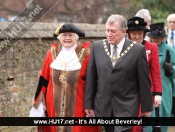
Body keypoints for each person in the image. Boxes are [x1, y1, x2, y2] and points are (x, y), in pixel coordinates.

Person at [84, 14, 153, 132]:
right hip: (104, 106)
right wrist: (88, 104)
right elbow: (91, 77)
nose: (109, 34)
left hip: (127, 106)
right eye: (107, 30)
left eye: (113, 31)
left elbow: (143, 81)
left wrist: (147, 107)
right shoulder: (97, 47)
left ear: (124, 31)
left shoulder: (137, 50)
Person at [30, 23, 100, 132]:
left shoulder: (87, 55)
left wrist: (93, 105)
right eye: (64, 35)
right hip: (53, 105)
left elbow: (93, 82)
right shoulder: (51, 54)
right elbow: (43, 79)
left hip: (78, 106)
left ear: (76, 37)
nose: (67, 38)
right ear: (60, 37)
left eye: (70, 35)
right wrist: (37, 104)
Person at [126, 16, 162, 132]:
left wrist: (158, 94)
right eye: (134, 33)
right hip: (127, 92)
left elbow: (156, 72)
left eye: (140, 33)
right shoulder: (124, 48)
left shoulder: (152, 47)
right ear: (129, 34)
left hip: (146, 93)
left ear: (144, 33)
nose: (137, 36)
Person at [147, 22, 175, 132]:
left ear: (163, 38)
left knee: (164, 114)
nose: (156, 39)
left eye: (158, 37)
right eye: (153, 37)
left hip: (165, 88)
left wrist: (172, 69)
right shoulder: (145, 48)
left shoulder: (169, 50)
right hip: (149, 88)